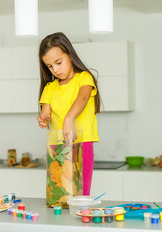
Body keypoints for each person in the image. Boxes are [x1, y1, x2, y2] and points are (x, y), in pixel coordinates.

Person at [37, 32, 100, 196]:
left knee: (81, 193)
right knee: (59, 193)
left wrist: (69, 118)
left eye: (58, 62)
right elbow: (46, 111)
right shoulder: (50, 88)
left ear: (70, 55)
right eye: (50, 66)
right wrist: (44, 119)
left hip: (82, 143)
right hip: (57, 147)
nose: (55, 69)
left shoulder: (84, 78)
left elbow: (83, 97)